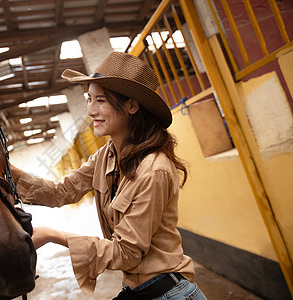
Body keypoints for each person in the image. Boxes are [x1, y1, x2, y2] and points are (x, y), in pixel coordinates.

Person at [11, 51, 207, 299]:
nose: (91, 111)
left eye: (101, 100)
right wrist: (7, 169)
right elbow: (61, 192)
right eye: (89, 99)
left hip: (170, 293)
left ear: (132, 105)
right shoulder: (106, 156)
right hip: (138, 291)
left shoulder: (155, 169)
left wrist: (54, 235)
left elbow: (126, 252)